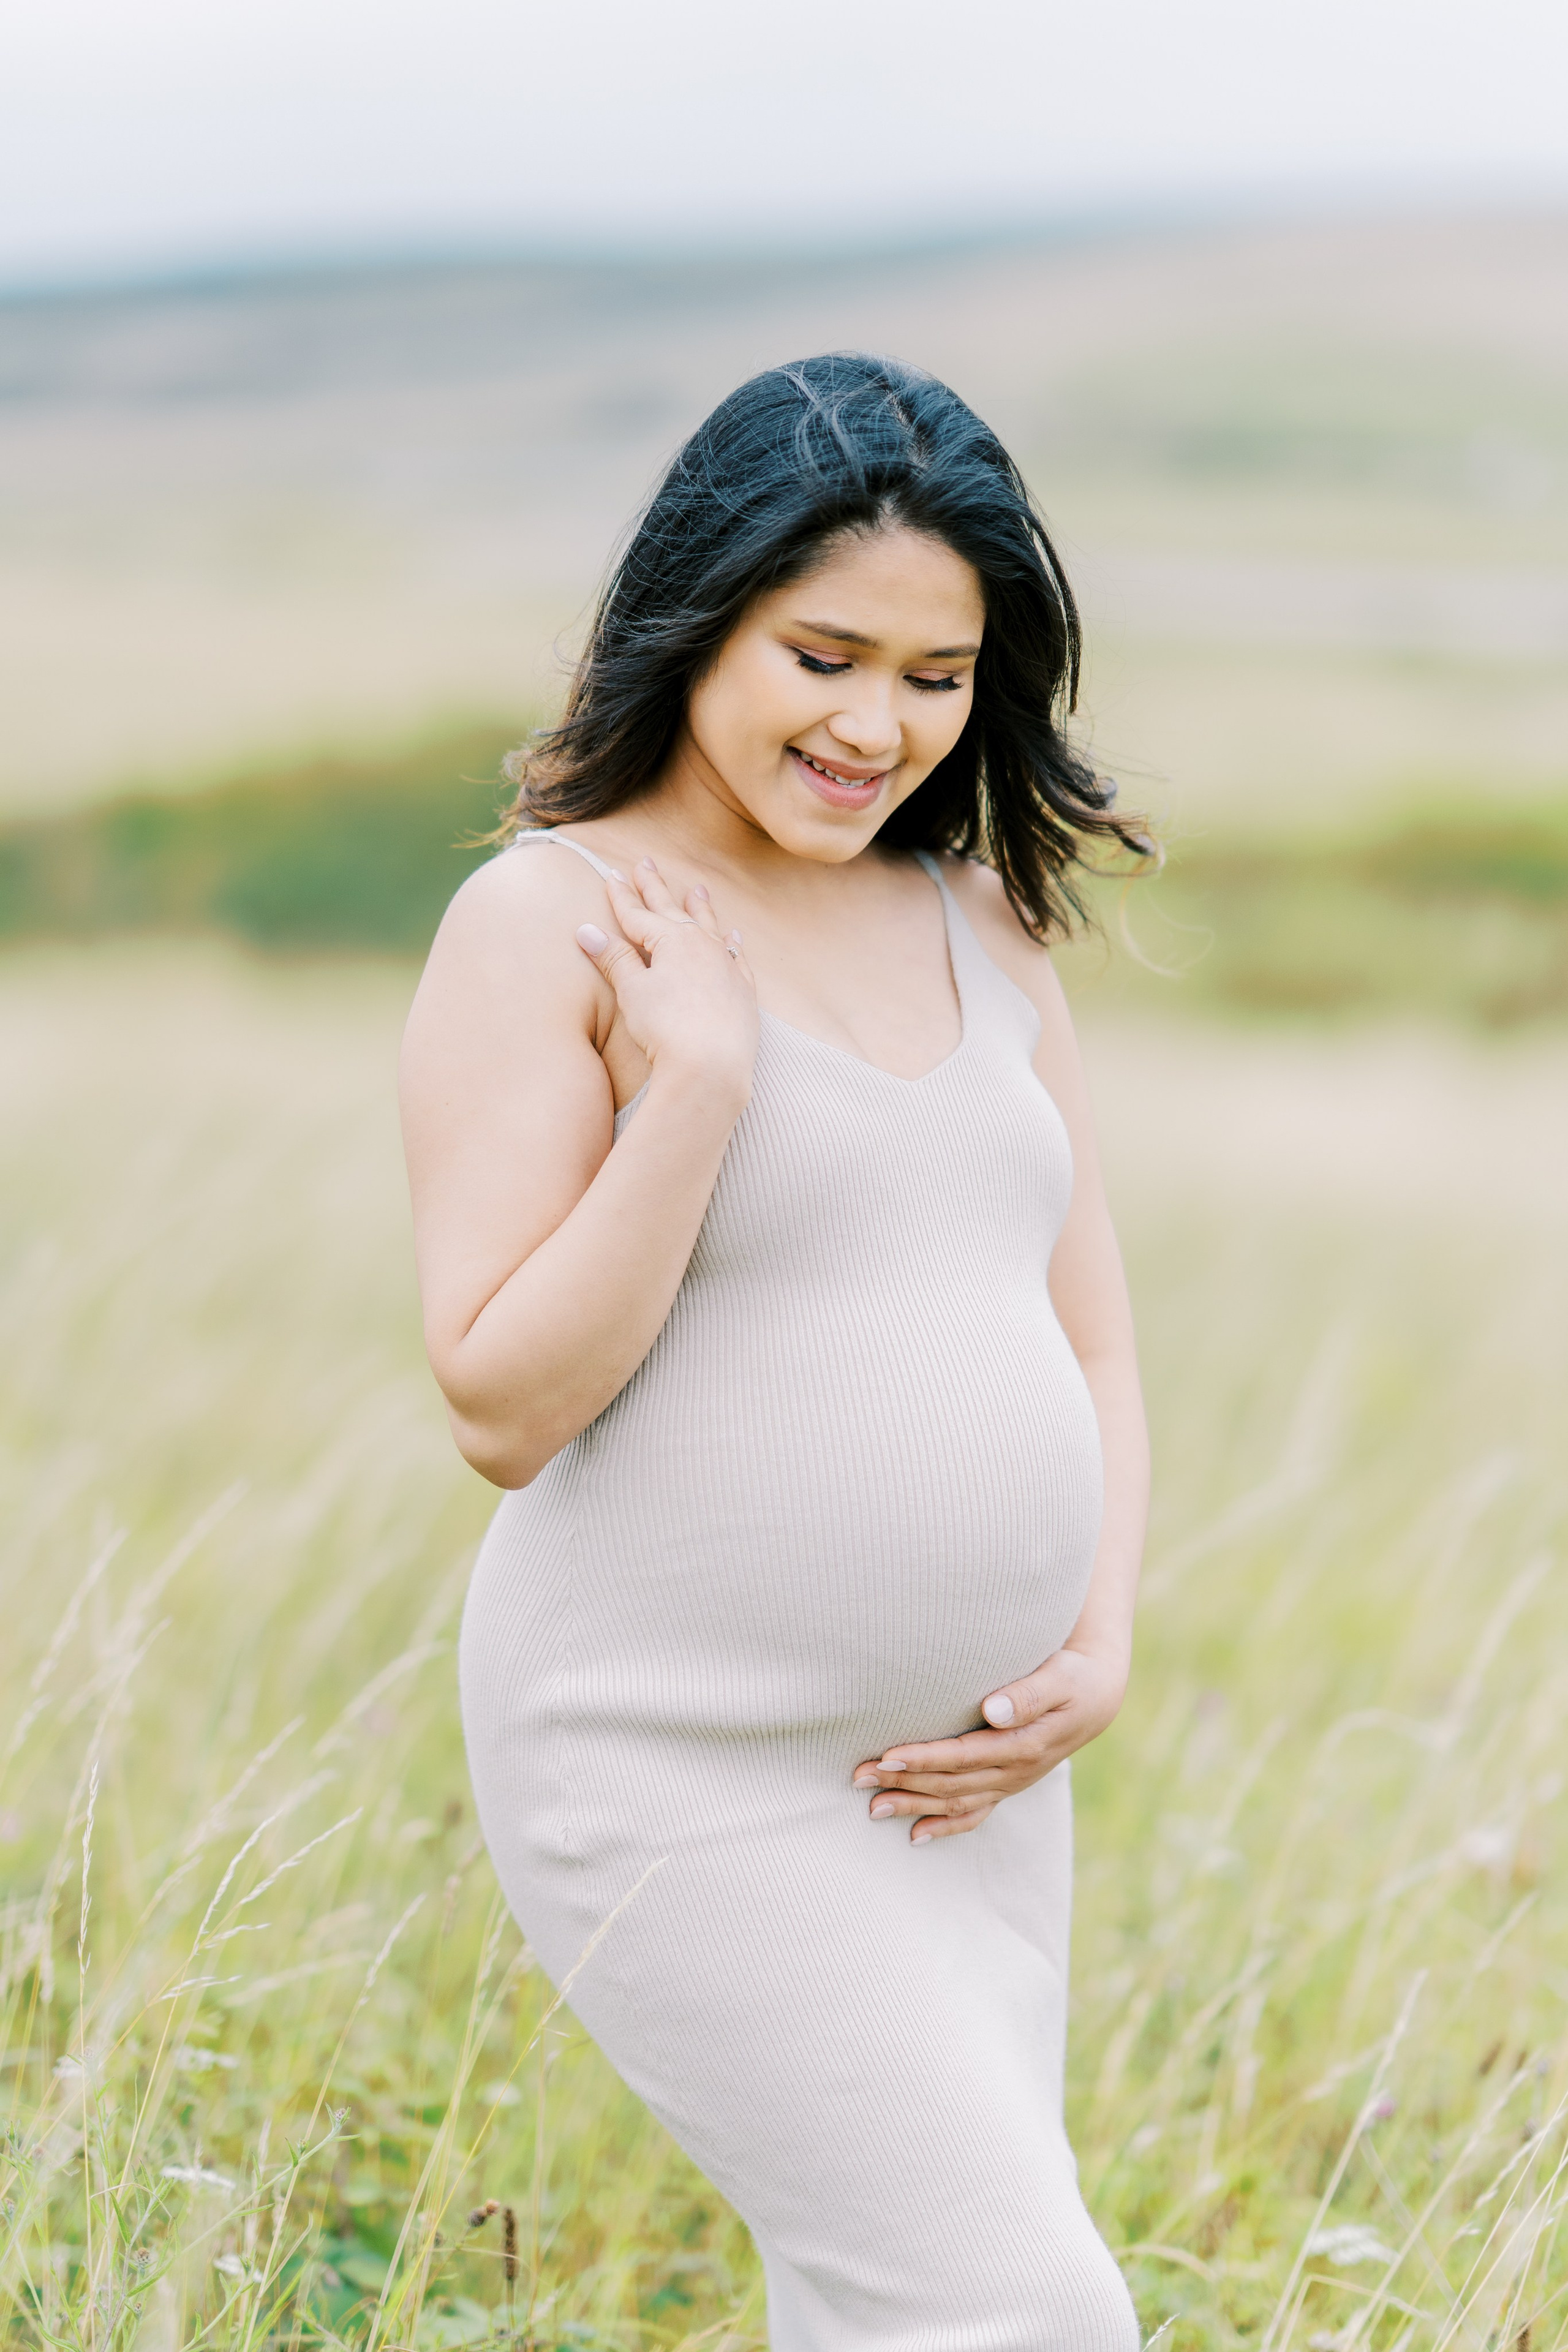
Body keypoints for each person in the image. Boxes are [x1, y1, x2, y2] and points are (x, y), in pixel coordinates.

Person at [400, 352, 1152, 2351]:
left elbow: (1091, 1333)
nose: (876, 724)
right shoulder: (546, 925)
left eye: (936, 674)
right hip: (671, 1753)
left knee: (872, 2308)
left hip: (970, 1783)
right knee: (1025, 2311)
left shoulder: (984, 922)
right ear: (698, 612)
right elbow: (497, 1401)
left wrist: (1101, 1631)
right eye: (824, 653)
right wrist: (694, 1099)